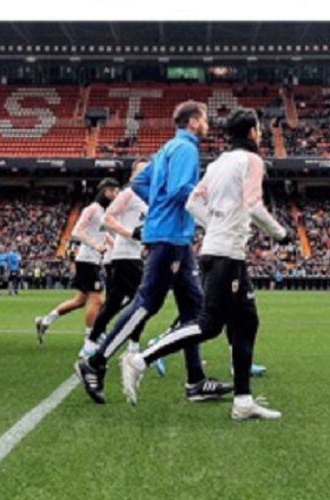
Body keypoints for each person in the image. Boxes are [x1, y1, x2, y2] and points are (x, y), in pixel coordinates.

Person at [119, 108, 289, 419]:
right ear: (252, 132)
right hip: (226, 254)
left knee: (246, 322)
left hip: (221, 250)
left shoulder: (218, 163)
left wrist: (214, 226)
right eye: (259, 129)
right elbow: (253, 205)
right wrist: (281, 234)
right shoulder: (252, 161)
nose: (261, 134)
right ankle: (140, 359)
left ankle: (243, 401)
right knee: (209, 324)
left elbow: (192, 201)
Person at [74, 100, 231, 405]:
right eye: (205, 119)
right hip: (171, 236)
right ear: (195, 121)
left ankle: (196, 381)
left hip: (174, 238)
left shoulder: (165, 149)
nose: (208, 124)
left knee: (194, 311)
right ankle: (95, 363)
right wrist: (211, 209)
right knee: (147, 304)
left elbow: (137, 182)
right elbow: (180, 190)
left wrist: (157, 205)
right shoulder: (186, 148)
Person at [35, 178, 118, 354]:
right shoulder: (92, 209)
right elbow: (77, 231)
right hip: (87, 260)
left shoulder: (104, 211)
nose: (117, 195)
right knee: (97, 300)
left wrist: (113, 245)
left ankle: (45, 320)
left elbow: (103, 235)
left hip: (93, 260)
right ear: (106, 191)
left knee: (80, 301)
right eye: (114, 191)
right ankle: (91, 337)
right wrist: (96, 245)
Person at [82, 161, 148, 368]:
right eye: (141, 170)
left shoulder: (147, 196)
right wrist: (131, 234)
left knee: (113, 304)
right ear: (132, 175)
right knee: (143, 301)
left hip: (130, 255)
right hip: (125, 256)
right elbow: (106, 221)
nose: (146, 173)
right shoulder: (128, 194)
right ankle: (133, 348)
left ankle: (90, 344)